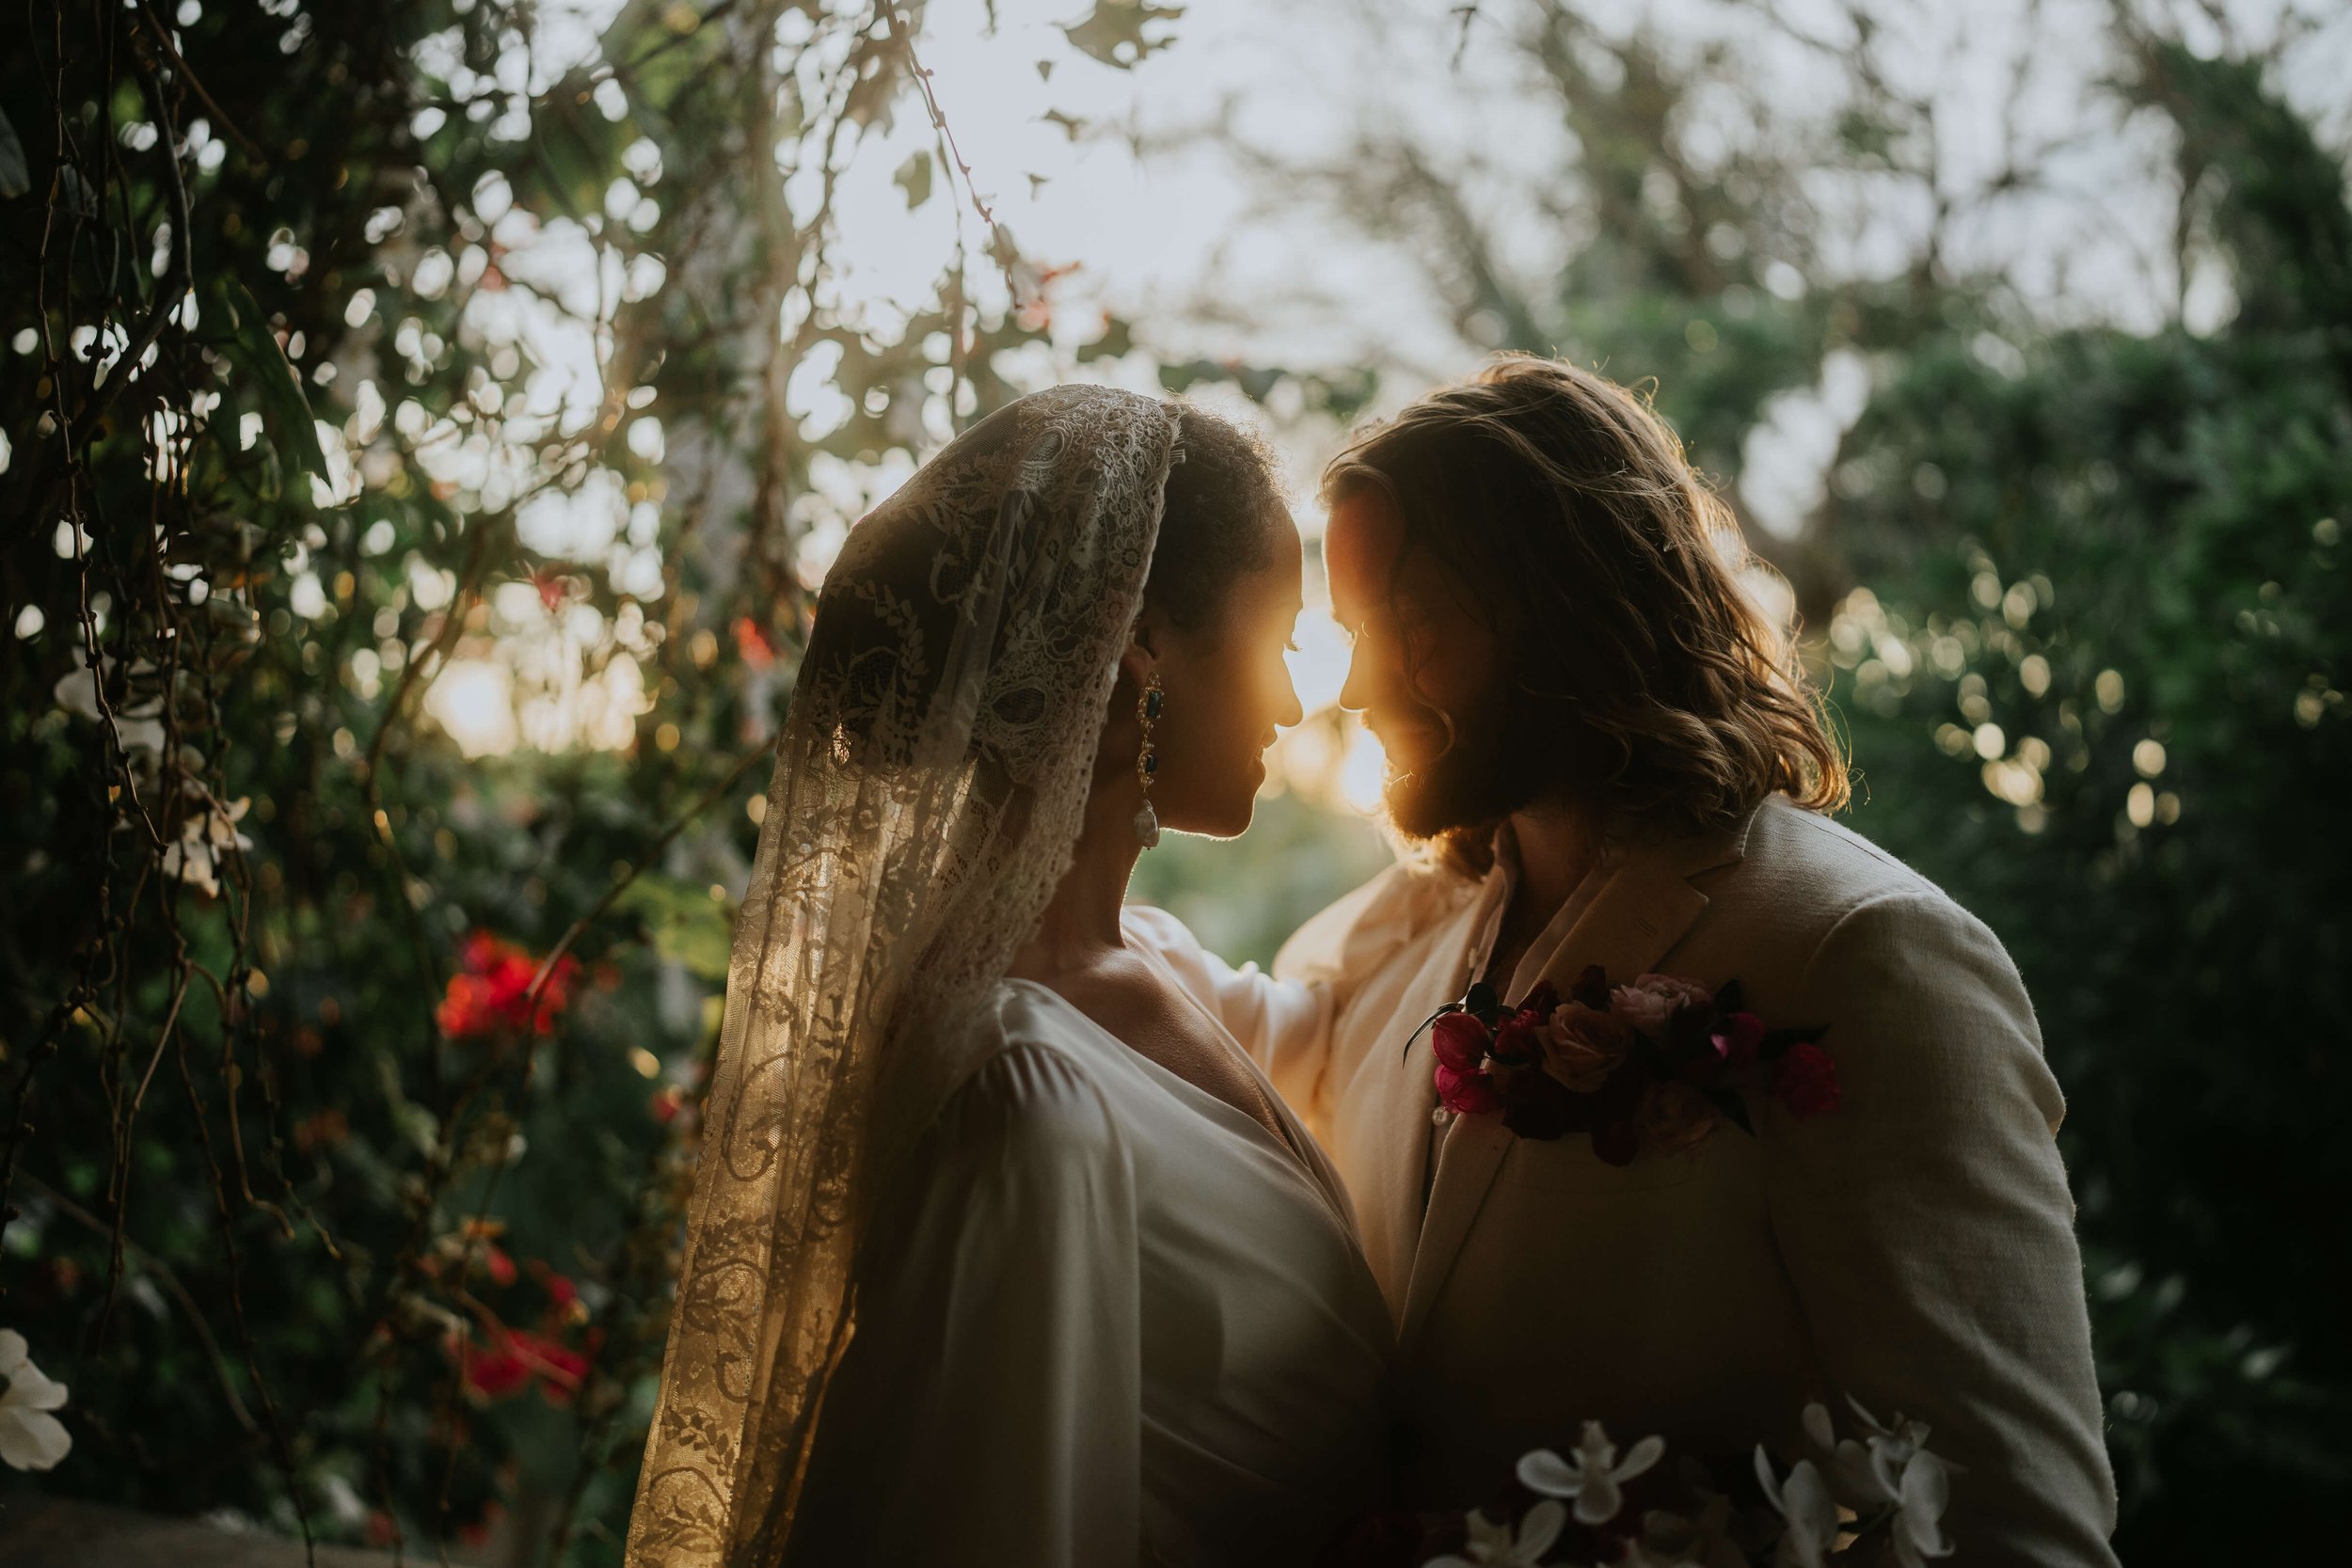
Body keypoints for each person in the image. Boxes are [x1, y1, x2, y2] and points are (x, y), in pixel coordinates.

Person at [1163, 356, 2121, 1563]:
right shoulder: (1369, 943)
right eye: (1348, 632)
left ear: (1560, 604)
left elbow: (2015, 1523)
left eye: (1407, 624)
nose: (1353, 687)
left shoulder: (1863, 955)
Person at [622, 385, 1391, 1568]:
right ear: (1143, 652)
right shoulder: (1024, 1093)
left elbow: (1357, 1001)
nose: (1293, 702)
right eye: (1279, 638)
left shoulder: (1154, 961)